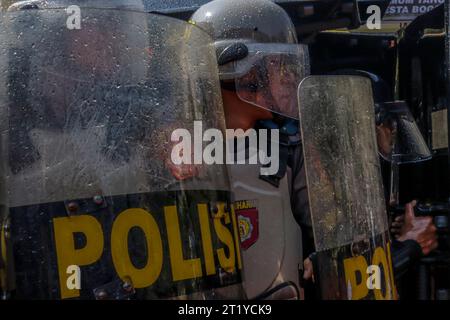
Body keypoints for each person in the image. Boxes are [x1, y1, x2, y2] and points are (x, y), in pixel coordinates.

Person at [190, 0, 311, 299]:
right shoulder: (175, 157)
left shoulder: (289, 152)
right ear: (237, 70)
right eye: (274, 65)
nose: (287, 77)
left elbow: (336, 241)